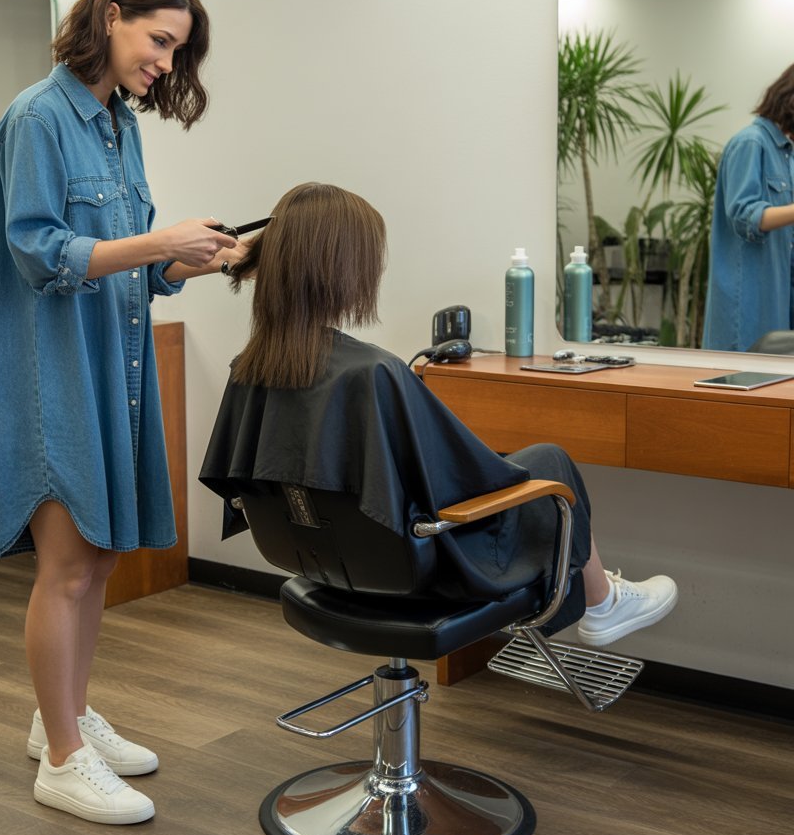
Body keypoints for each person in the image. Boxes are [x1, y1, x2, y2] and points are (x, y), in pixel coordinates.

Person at [0, 0, 246, 826]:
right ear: (111, 16)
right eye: (159, 42)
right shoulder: (37, 119)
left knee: (96, 559)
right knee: (66, 567)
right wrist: (159, 242)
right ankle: (63, 760)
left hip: (112, 363)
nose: (165, 64)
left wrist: (202, 257)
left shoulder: (117, 127)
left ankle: (60, 715)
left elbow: (133, 269)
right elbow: (39, 253)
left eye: (175, 51)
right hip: (55, 370)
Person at [200, 183, 678, 648]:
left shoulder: (251, 368)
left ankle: (602, 598)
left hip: (321, 560)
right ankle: (603, 601)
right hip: (426, 570)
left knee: (516, 463)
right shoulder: (373, 372)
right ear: (346, 269)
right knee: (549, 462)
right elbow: (466, 480)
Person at [703, 63, 794, 351]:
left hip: (776, 301)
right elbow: (745, 216)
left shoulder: (785, 154)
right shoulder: (750, 143)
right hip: (747, 307)